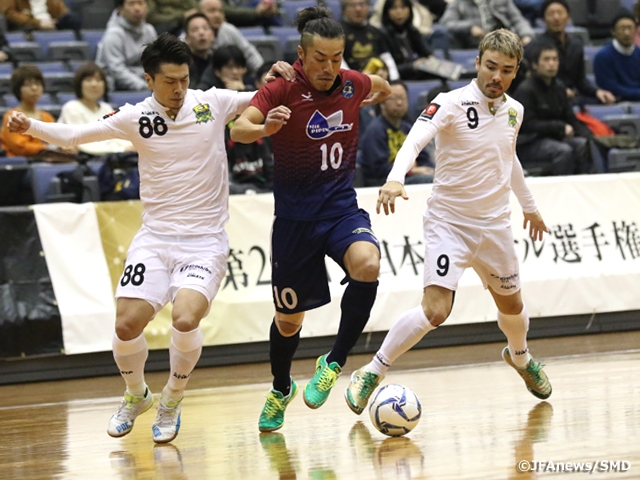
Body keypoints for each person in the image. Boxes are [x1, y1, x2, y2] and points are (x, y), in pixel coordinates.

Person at [7, 33, 293, 444]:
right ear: (148, 80)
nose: (178, 89)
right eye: (169, 81)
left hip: (204, 240)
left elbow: (262, 96)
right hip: (155, 239)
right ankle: (136, 394)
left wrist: (275, 77)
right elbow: (73, 137)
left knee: (185, 317)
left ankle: (172, 398)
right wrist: (29, 124)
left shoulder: (212, 101)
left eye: (183, 79)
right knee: (126, 325)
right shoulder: (135, 117)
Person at [344, 29, 553, 417]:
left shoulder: (515, 110)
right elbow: (415, 140)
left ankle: (521, 359)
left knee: (513, 306)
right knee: (436, 311)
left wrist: (530, 207)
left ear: (516, 71)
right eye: (490, 67)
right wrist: (396, 177)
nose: (497, 76)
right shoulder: (450, 103)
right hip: (449, 225)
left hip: (495, 227)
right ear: (477, 63)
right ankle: (371, 372)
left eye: (506, 70)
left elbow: (510, 160)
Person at [230, 6, 391, 433]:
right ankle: (281, 388)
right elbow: (237, 129)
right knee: (289, 321)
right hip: (295, 221)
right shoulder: (281, 88)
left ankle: (334, 362)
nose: (329, 67)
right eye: (320, 58)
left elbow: (383, 86)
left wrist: (360, 78)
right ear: (301, 55)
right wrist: (265, 128)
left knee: (369, 264)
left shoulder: (350, 83)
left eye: (337, 57)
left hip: (340, 210)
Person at [514, 40, 593, 175]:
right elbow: (526, 125)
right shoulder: (525, 90)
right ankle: (561, 191)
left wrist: (590, 137)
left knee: (584, 144)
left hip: (554, 138)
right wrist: (559, 127)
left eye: (555, 59)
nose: (551, 64)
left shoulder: (559, 88)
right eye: (546, 59)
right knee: (563, 151)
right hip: (529, 142)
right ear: (535, 64)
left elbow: (570, 118)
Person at [524, 0, 615, 105]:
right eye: (551, 14)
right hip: (545, 99)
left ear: (568, 18)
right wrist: (559, 90)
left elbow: (580, 80)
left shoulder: (576, 44)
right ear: (543, 20)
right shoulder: (535, 46)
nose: (556, 18)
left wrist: (597, 92)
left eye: (560, 13)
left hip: (571, 97)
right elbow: (533, 79)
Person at [358, 80, 434, 186]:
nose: (399, 103)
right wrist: (411, 171)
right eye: (394, 99)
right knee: (429, 181)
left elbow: (424, 159)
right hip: (384, 183)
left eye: (402, 98)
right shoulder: (375, 130)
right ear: (382, 103)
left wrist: (427, 169)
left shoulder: (409, 128)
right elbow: (378, 169)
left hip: (408, 178)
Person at [57, 62, 134, 156]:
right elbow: (83, 142)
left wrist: (131, 145)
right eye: (88, 80)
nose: (94, 84)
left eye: (98, 80)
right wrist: (121, 150)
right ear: (79, 85)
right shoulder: (71, 108)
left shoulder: (106, 108)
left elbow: (116, 136)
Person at [96, 0, 158, 92]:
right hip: (117, 87)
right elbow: (117, 71)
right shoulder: (113, 34)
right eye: (131, 4)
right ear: (120, 9)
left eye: (140, 3)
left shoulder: (150, 31)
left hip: (145, 82)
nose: (137, 8)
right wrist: (145, 86)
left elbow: (156, 62)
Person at [1, 65, 55, 157]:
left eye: (38, 84)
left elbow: (56, 139)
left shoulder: (47, 117)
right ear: (18, 89)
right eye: (28, 85)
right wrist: (47, 149)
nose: (34, 88)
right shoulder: (11, 117)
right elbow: (19, 146)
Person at [199, 0, 264, 76]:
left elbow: (250, 54)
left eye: (220, 11)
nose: (217, 15)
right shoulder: (191, 33)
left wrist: (263, 74)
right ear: (199, 13)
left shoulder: (229, 30)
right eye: (211, 11)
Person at [340, 0, 400, 81]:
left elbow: (386, 57)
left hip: (377, 79)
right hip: (351, 83)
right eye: (352, 5)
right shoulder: (337, 33)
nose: (358, 9)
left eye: (362, 4)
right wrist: (356, 79)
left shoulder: (376, 32)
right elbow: (338, 61)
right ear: (344, 9)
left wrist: (394, 80)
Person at [439, 0, 533, 49]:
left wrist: (526, 35)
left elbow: (518, 20)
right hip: (476, 44)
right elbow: (446, 23)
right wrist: (469, 27)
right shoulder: (458, 3)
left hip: (506, 41)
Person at [379, 0, 436, 80]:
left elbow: (426, 53)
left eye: (403, 7)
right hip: (394, 78)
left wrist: (431, 60)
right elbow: (389, 69)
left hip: (415, 74)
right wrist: (413, 65)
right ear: (387, 11)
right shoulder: (382, 34)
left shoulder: (412, 30)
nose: (399, 12)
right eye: (394, 8)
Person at [593, 11, 640, 102]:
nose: (626, 33)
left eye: (630, 28)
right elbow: (611, 88)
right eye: (622, 28)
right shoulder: (603, 56)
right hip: (614, 102)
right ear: (613, 32)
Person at [2, 0, 81, 34]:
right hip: (29, 27)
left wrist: (52, 23)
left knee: (72, 18)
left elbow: (63, 11)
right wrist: (38, 23)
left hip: (53, 24)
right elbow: (9, 14)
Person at [183, 12, 216, 88]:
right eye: (195, 30)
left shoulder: (219, 60)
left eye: (205, 28)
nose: (201, 33)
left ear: (213, 35)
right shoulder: (183, 65)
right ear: (187, 38)